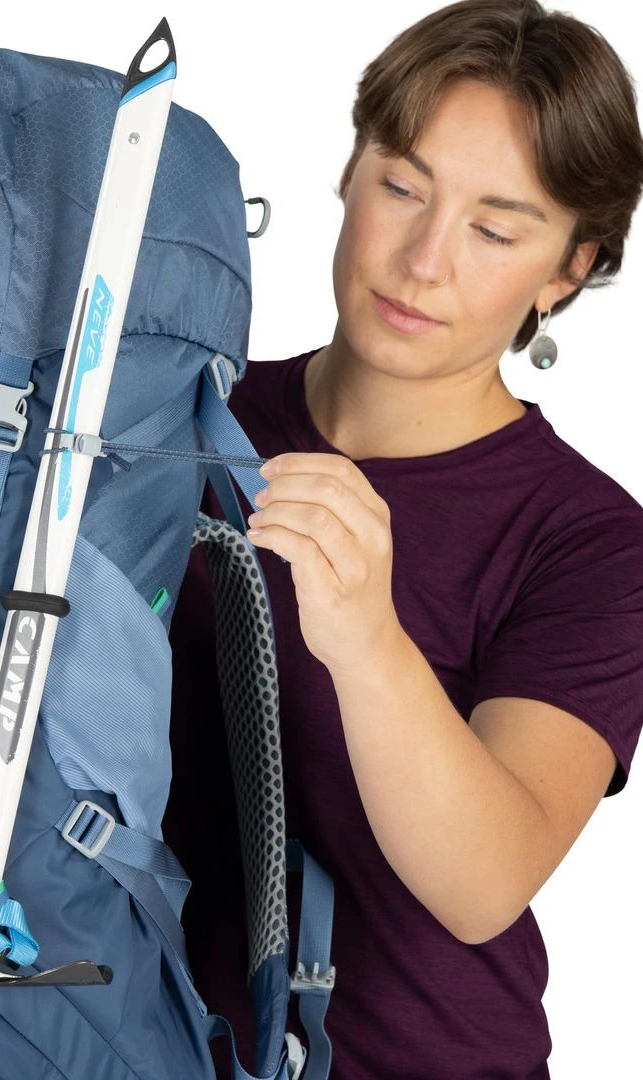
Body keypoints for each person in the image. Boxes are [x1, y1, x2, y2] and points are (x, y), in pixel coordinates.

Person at [163, 1, 643, 1077]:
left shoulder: (589, 543)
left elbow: (485, 883)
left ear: (566, 270)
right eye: (404, 187)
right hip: (118, 1045)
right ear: (350, 170)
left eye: (495, 230)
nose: (425, 260)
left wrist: (368, 640)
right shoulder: (179, 415)